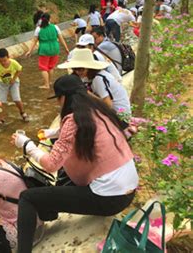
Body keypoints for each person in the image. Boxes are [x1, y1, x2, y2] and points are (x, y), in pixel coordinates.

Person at [12, 74, 138, 253]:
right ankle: (49, 213)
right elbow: (72, 132)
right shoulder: (99, 111)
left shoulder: (73, 120)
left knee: (27, 197)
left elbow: (51, 164)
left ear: (63, 98)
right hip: (128, 193)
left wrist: (26, 145)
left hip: (108, 199)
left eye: (58, 99)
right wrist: (50, 134)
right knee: (57, 187)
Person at [58, 49, 131, 119]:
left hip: (120, 117)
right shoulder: (91, 77)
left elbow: (108, 105)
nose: (77, 72)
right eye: (75, 69)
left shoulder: (98, 79)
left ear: (89, 67)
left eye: (81, 69)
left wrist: (87, 93)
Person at [25, 13, 69, 89]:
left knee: (43, 67)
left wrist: (30, 51)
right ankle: (49, 81)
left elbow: (34, 41)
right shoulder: (55, 27)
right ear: (50, 19)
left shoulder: (39, 29)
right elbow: (61, 39)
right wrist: (66, 48)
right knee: (51, 67)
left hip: (44, 49)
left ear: (41, 19)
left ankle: (46, 85)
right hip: (55, 48)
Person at [0, 48, 28, 123]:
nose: (3, 63)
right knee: (1, 102)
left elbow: (19, 69)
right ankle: (2, 117)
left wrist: (14, 78)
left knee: (16, 99)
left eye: (5, 60)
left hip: (14, 82)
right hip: (2, 84)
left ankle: (22, 112)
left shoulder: (13, 63)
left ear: (8, 57)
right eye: (0, 61)